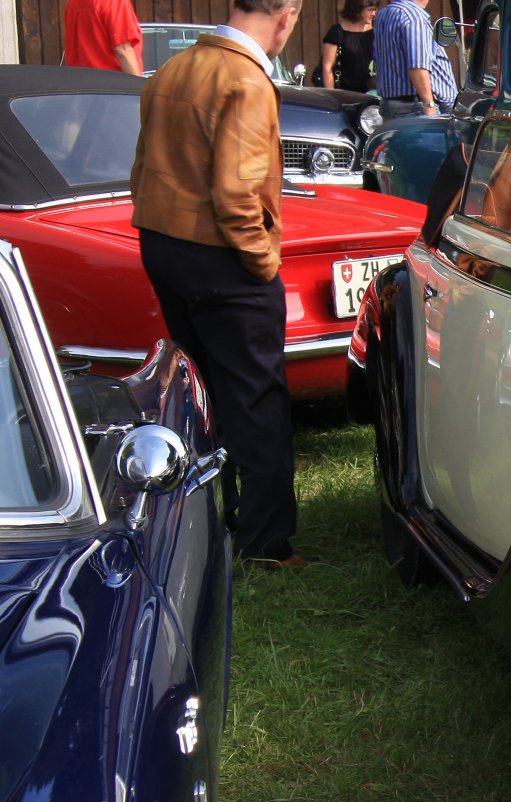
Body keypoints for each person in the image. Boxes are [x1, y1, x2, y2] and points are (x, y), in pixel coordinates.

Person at [130, 0, 306, 569]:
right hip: (222, 256)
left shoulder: (174, 67)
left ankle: (209, 521)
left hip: (165, 244)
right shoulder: (245, 79)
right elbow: (236, 197)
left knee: (204, 391)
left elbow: (141, 170)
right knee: (256, 397)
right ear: (287, 15)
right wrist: (264, 263)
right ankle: (264, 543)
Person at [373, 0, 458, 121]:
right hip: (417, 107)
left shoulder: (384, 13)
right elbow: (418, 66)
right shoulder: (414, 17)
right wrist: (429, 105)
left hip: (392, 104)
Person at [63, 0, 142, 75]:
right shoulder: (115, 2)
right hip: (109, 81)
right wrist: (138, 84)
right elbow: (123, 51)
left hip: (77, 79)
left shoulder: (73, 3)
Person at [320, 0, 378, 92]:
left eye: (375, 10)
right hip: (346, 93)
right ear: (357, 9)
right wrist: (331, 95)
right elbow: (327, 68)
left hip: (374, 92)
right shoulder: (337, 33)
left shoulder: (377, 29)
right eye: (370, 10)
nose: (374, 13)